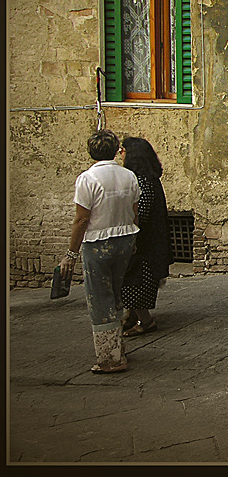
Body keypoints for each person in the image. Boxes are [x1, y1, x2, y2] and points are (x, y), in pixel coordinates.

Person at [59, 130, 139, 374]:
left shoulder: (87, 179)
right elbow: (134, 212)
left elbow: (82, 219)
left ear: (91, 152)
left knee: (99, 298)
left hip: (98, 242)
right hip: (125, 239)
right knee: (115, 293)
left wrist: (71, 253)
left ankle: (110, 358)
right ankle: (118, 347)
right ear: (115, 150)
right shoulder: (128, 176)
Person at [119, 137, 172, 337]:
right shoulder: (146, 179)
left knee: (134, 281)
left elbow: (141, 213)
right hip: (147, 241)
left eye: (123, 150)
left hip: (144, 243)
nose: (120, 154)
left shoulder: (142, 182)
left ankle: (145, 320)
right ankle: (132, 316)